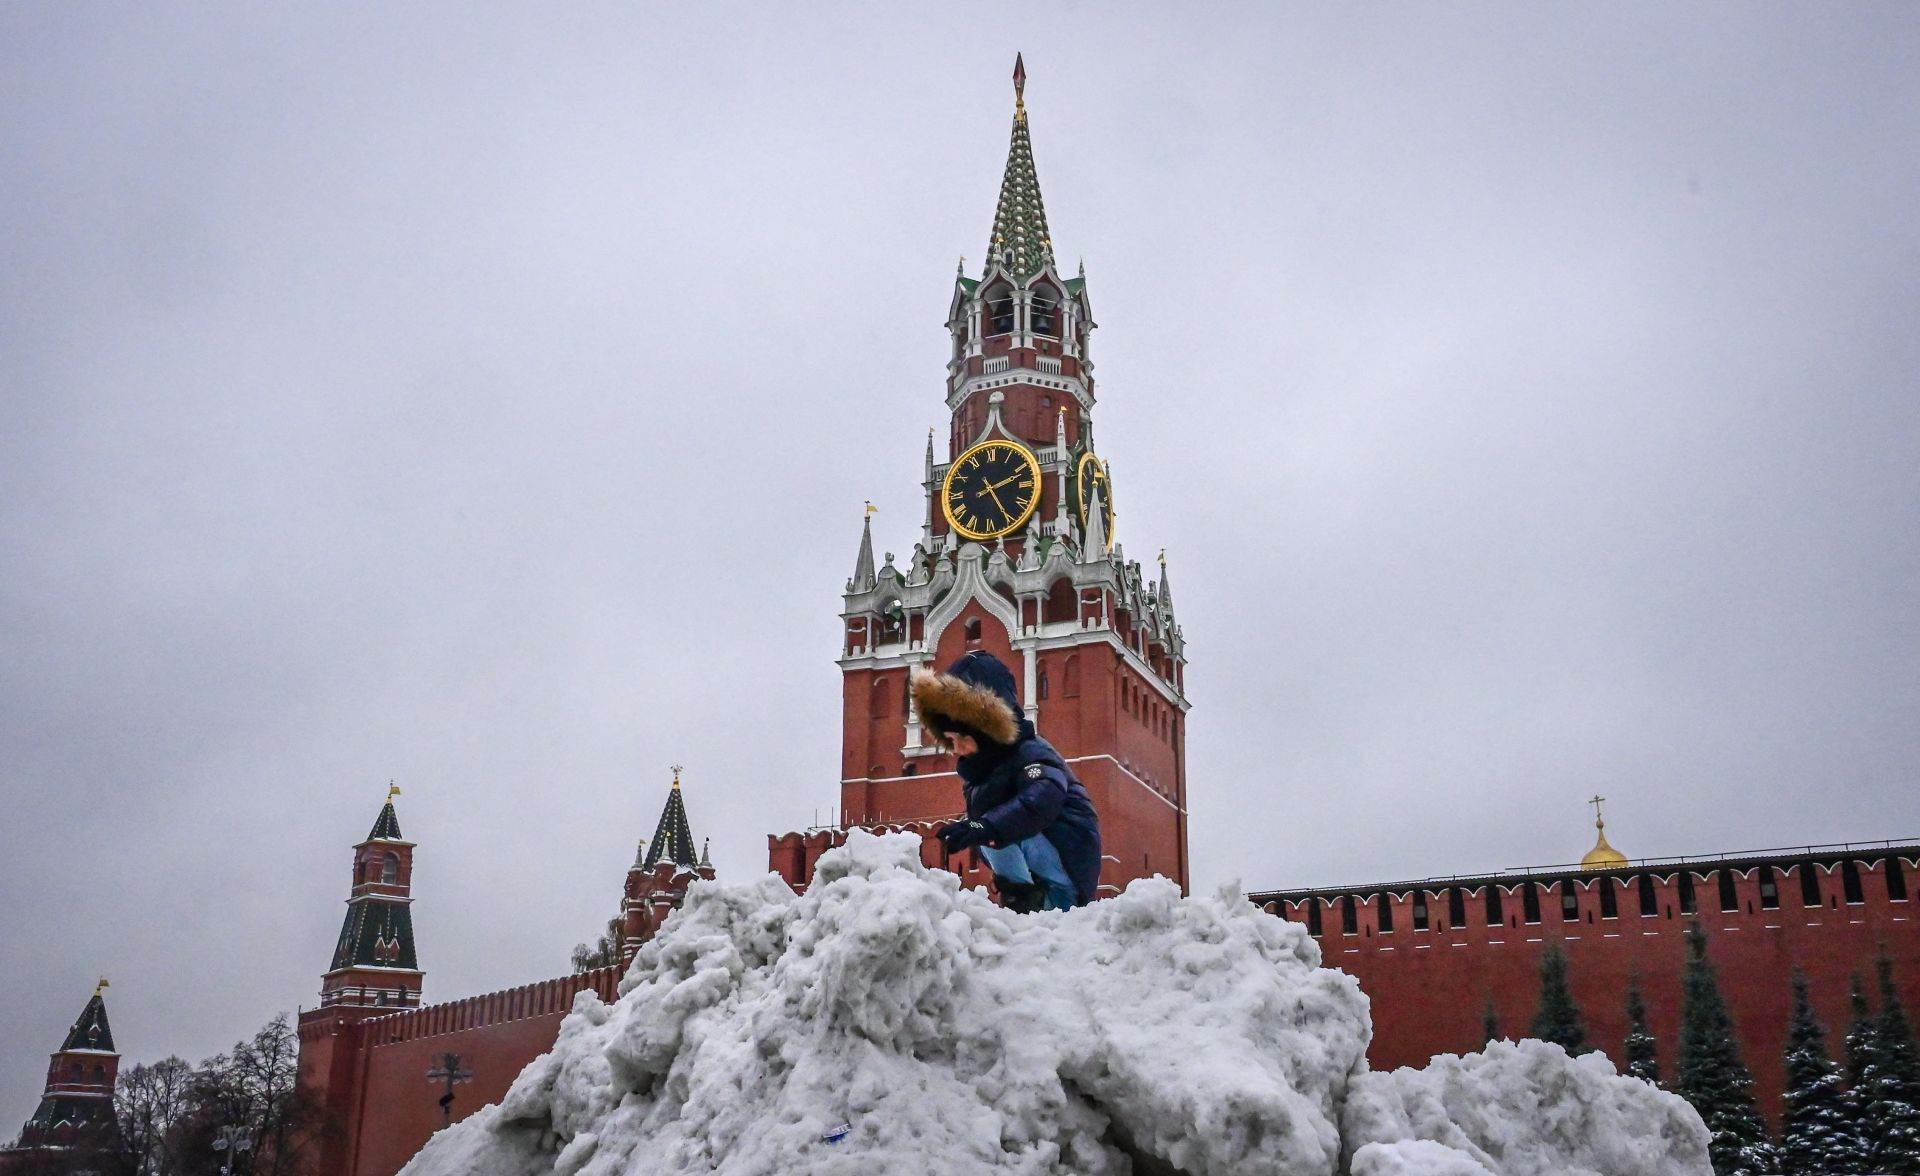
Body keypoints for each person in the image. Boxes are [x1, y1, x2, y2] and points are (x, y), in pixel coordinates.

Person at [913, 650, 1102, 911]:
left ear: (985, 728)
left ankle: (1024, 903)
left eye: (961, 738)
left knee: (992, 824)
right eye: (951, 741)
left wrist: (985, 827)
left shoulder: (1032, 753)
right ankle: (1023, 900)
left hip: (1066, 883)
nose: (956, 749)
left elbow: (1044, 794)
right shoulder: (986, 770)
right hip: (1042, 880)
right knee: (987, 825)